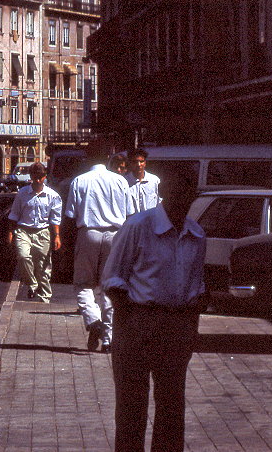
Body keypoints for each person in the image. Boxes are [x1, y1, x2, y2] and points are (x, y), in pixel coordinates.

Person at [102, 179, 206, 452]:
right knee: (131, 407)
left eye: (188, 192)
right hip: (137, 322)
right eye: (176, 191)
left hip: (177, 326)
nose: (182, 198)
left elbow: (196, 285)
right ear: (163, 192)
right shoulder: (138, 226)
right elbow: (113, 278)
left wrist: (189, 325)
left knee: (172, 406)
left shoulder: (196, 234)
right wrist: (132, 322)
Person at [63, 150, 133, 352]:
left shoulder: (79, 180)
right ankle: (109, 340)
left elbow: (70, 215)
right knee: (109, 286)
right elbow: (130, 214)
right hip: (115, 235)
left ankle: (93, 320)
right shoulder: (120, 181)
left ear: (87, 161)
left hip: (88, 233)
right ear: (107, 160)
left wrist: (68, 246)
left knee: (83, 284)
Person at [6, 162, 61, 303]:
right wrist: (11, 233)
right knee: (23, 256)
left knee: (43, 266)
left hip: (43, 232)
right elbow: (14, 214)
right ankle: (32, 284)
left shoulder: (52, 196)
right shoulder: (22, 193)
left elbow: (55, 218)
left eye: (41, 177)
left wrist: (57, 236)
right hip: (23, 231)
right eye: (35, 177)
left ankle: (45, 297)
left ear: (45, 177)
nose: (38, 180)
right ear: (31, 177)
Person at [124, 148, 161, 215]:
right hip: (132, 222)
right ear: (129, 163)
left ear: (145, 163)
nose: (138, 165)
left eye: (141, 161)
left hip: (151, 221)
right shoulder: (124, 182)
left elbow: (160, 202)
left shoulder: (154, 180)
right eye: (135, 162)